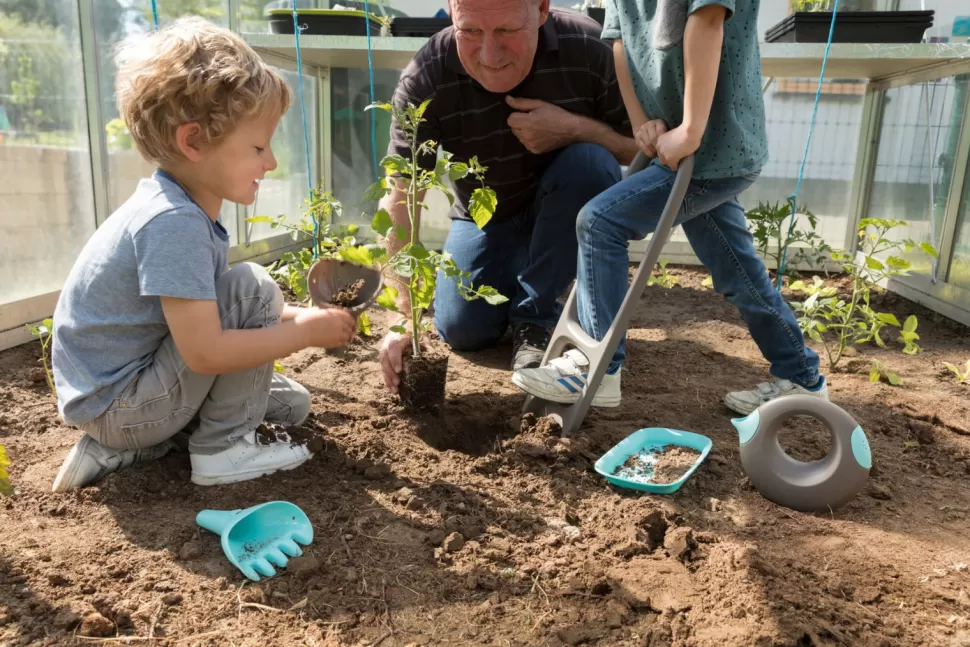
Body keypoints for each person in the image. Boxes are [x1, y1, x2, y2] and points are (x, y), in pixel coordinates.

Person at [50, 17, 357, 492]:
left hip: (131, 393)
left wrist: (307, 319)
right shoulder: (173, 224)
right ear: (193, 141)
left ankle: (137, 445)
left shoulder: (181, 208)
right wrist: (304, 335)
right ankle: (223, 450)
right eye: (258, 145)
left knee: (290, 404)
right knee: (252, 284)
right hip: (122, 404)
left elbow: (213, 314)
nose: (271, 162)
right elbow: (207, 348)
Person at [512, 0, 829, 415]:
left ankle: (598, 370)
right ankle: (801, 376)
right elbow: (619, 41)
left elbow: (707, 18)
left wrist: (692, 129)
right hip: (684, 153)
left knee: (600, 222)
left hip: (716, 148)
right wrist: (641, 119)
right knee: (738, 270)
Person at [377, 0, 638, 395]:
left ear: (542, 9)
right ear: (452, 12)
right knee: (461, 328)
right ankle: (534, 276)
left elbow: (641, 150)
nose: (489, 55)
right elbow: (401, 198)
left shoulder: (589, 47)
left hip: (568, 205)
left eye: (506, 31)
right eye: (471, 32)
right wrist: (403, 319)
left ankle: (537, 319)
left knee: (590, 163)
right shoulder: (429, 73)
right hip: (487, 215)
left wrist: (574, 129)